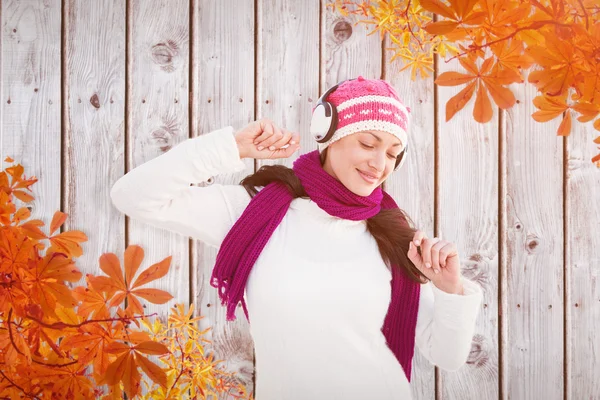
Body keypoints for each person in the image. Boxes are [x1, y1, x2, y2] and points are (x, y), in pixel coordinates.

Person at [110, 76, 483, 400]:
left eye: (392, 153)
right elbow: (133, 196)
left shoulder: (392, 234)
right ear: (328, 135)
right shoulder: (256, 215)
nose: (380, 163)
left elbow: (446, 356)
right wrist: (231, 148)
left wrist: (450, 289)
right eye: (368, 144)